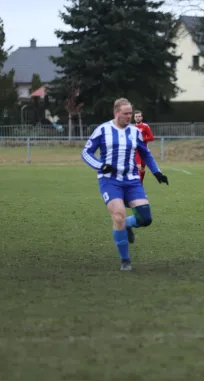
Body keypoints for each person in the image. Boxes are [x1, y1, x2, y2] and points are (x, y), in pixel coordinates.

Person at [81, 98, 169, 271]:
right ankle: (125, 260)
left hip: (132, 180)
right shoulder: (103, 130)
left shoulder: (134, 132)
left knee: (145, 218)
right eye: (126, 113)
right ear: (116, 113)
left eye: (131, 113)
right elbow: (86, 152)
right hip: (110, 180)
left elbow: (146, 154)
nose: (129, 117)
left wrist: (157, 172)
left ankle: (128, 224)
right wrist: (100, 165)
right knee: (118, 215)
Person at [133, 110, 155, 183]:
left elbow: (151, 137)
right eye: (136, 117)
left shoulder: (145, 126)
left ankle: (140, 184)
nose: (138, 118)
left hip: (143, 151)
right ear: (134, 118)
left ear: (141, 117)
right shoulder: (132, 127)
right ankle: (137, 186)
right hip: (135, 151)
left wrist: (142, 139)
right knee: (136, 168)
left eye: (139, 116)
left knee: (142, 169)